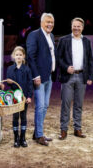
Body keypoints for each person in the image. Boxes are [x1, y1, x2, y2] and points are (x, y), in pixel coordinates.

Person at [57, 18, 93, 140]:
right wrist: (66, 67)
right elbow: (58, 58)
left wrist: (90, 76)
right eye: (74, 26)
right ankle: (63, 130)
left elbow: (90, 61)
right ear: (71, 26)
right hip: (68, 77)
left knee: (79, 104)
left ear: (82, 28)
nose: (76, 28)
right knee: (65, 104)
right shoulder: (64, 40)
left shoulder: (87, 41)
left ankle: (77, 129)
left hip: (81, 76)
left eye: (79, 26)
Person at [26, 13, 56, 146]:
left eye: (52, 22)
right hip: (39, 77)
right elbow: (31, 56)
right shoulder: (34, 35)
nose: (50, 24)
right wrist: (36, 75)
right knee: (40, 106)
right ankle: (39, 135)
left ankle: (38, 132)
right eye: (47, 22)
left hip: (49, 76)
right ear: (41, 22)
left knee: (45, 105)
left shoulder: (52, 36)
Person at [6, 46, 33, 148]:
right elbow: (10, 84)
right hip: (14, 98)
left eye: (20, 55)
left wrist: (29, 96)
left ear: (23, 56)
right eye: (16, 55)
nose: (18, 57)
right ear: (13, 56)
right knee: (15, 117)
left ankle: (23, 138)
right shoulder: (10, 69)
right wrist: (9, 82)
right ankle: (16, 138)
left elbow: (30, 83)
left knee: (23, 116)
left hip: (24, 97)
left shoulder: (27, 69)